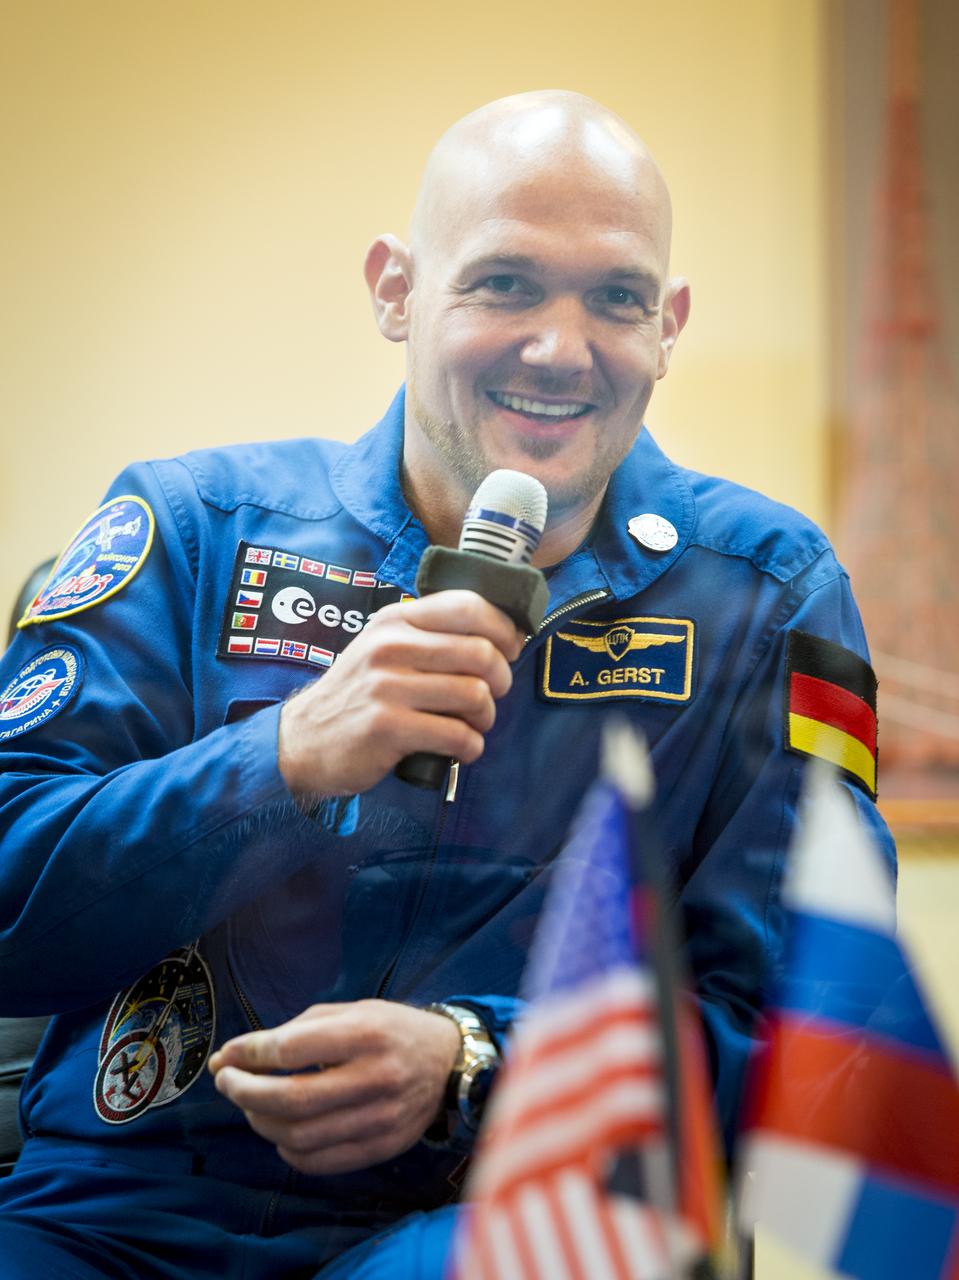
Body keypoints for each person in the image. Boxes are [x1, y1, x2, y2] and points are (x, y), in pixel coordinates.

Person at [0, 90, 894, 1278]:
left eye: (616, 298)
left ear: (668, 325)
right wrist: (282, 756)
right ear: (394, 290)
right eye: (505, 283)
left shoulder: (768, 596)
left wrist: (478, 1061)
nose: (560, 348)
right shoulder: (191, 528)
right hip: (121, 1209)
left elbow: (817, 1038)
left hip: (498, 1218)